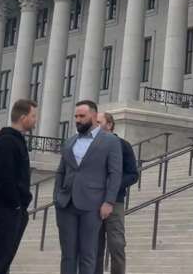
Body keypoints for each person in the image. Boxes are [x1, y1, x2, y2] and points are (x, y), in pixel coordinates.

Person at [54, 100, 122, 274]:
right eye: (76, 116)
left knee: (88, 254)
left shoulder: (110, 141)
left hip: (93, 205)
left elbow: (115, 174)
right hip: (66, 204)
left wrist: (109, 202)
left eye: (82, 116)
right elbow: (61, 171)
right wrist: (57, 197)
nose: (77, 119)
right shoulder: (70, 142)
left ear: (93, 116)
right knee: (67, 254)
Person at [0, 99, 36, 274]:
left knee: (3, 260)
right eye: (33, 116)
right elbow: (2, 177)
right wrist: (16, 204)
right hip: (5, 210)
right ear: (23, 117)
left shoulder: (14, 140)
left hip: (11, 209)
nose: (35, 120)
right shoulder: (7, 142)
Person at [95, 112, 139, 274]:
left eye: (99, 122)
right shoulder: (91, 145)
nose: (95, 125)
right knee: (94, 246)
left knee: (117, 244)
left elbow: (133, 174)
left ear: (109, 125)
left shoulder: (123, 145)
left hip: (115, 202)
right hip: (93, 202)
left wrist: (113, 187)